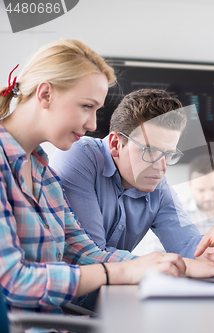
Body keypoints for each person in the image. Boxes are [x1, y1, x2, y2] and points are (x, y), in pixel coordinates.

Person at [0, 39, 186, 315]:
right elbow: (13, 282)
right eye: (87, 106)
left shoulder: (44, 175)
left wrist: (172, 264)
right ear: (45, 94)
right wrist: (117, 272)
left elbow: (84, 253)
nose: (93, 125)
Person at [49, 89, 214, 275]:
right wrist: (173, 265)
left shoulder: (158, 188)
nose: (161, 166)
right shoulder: (78, 156)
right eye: (149, 151)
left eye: (169, 154)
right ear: (115, 144)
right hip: (65, 306)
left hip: (110, 300)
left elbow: (189, 249)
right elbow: (89, 257)